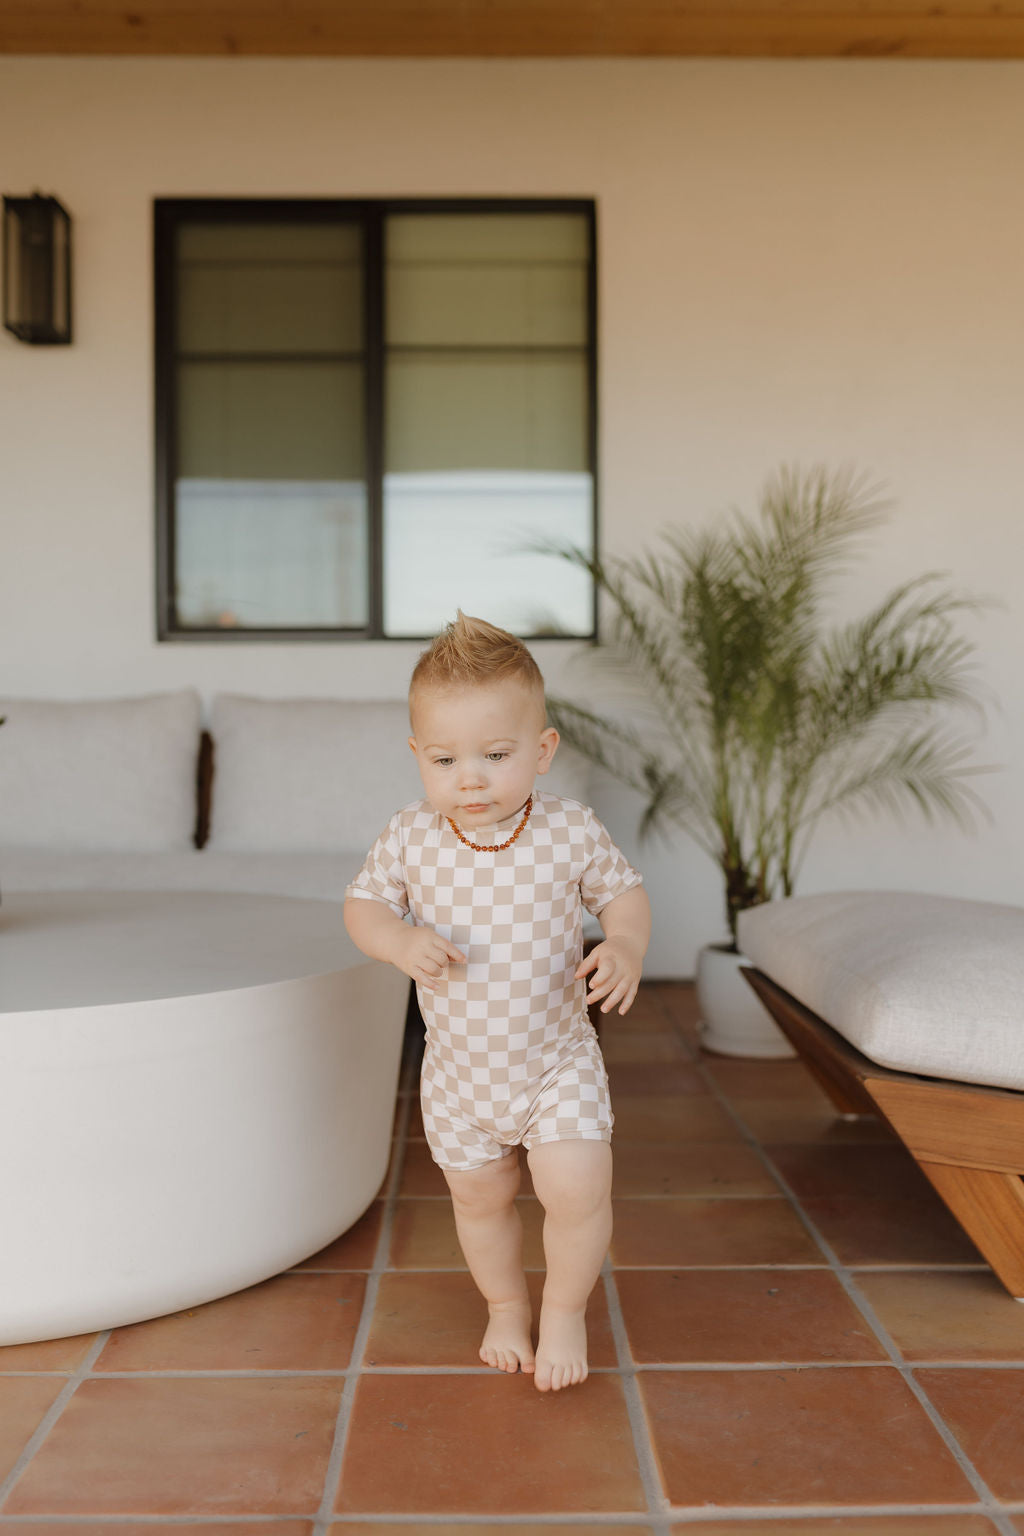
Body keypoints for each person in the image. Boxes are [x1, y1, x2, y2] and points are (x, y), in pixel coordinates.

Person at [344, 611, 651, 1392]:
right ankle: (506, 1305)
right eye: (445, 759)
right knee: (481, 1205)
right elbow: (363, 908)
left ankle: (566, 1309)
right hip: (458, 1077)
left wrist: (624, 945)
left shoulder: (568, 830)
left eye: (496, 754)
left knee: (577, 1190)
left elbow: (623, 895)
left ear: (542, 752)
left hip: (555, 1060)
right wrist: (396, 941)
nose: (469, 778)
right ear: (418, 756)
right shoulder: (411, 837)